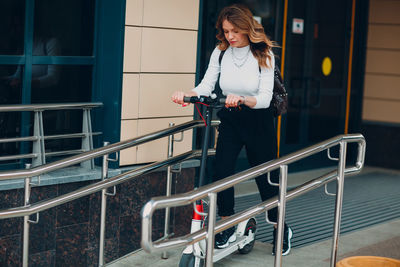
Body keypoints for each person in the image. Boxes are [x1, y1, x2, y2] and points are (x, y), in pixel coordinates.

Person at [171, 4, 293, 255]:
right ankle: (226, 224)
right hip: (232, 119)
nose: (230, 36)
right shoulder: (221, 52)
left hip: (259, 121)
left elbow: (264, 97)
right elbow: (206, 84)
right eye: (226, 31)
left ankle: (280, 227)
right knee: (222, 171)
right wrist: (189, 94)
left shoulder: (264, 54)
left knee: (266, 177)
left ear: (247, 28)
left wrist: (242, 98)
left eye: (235, 31)